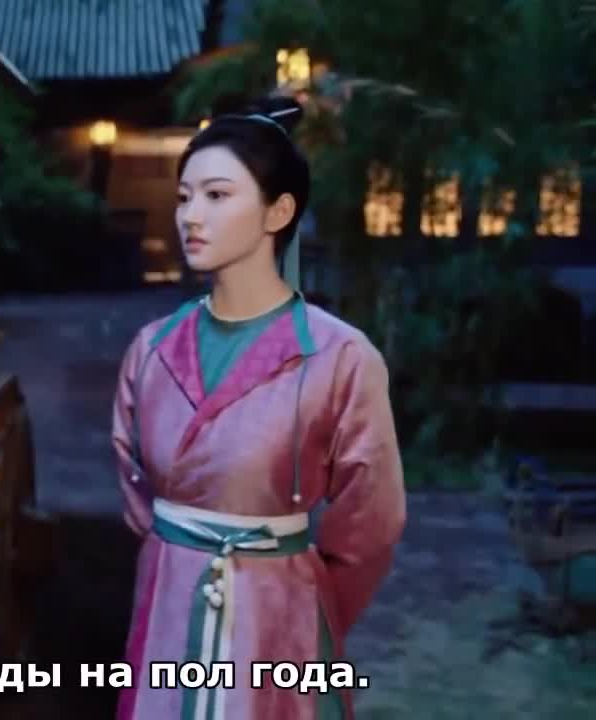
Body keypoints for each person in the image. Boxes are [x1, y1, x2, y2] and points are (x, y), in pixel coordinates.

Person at [111, 97, 406, 720]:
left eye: (217, 195)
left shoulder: (339, 355)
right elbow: (137, 493)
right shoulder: (151, 349)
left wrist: (297, 599)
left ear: (279, 211)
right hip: (168, 606)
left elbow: (371, 523)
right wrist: (178, 560)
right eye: (184, 197)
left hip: (278, 623)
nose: (191, 216)